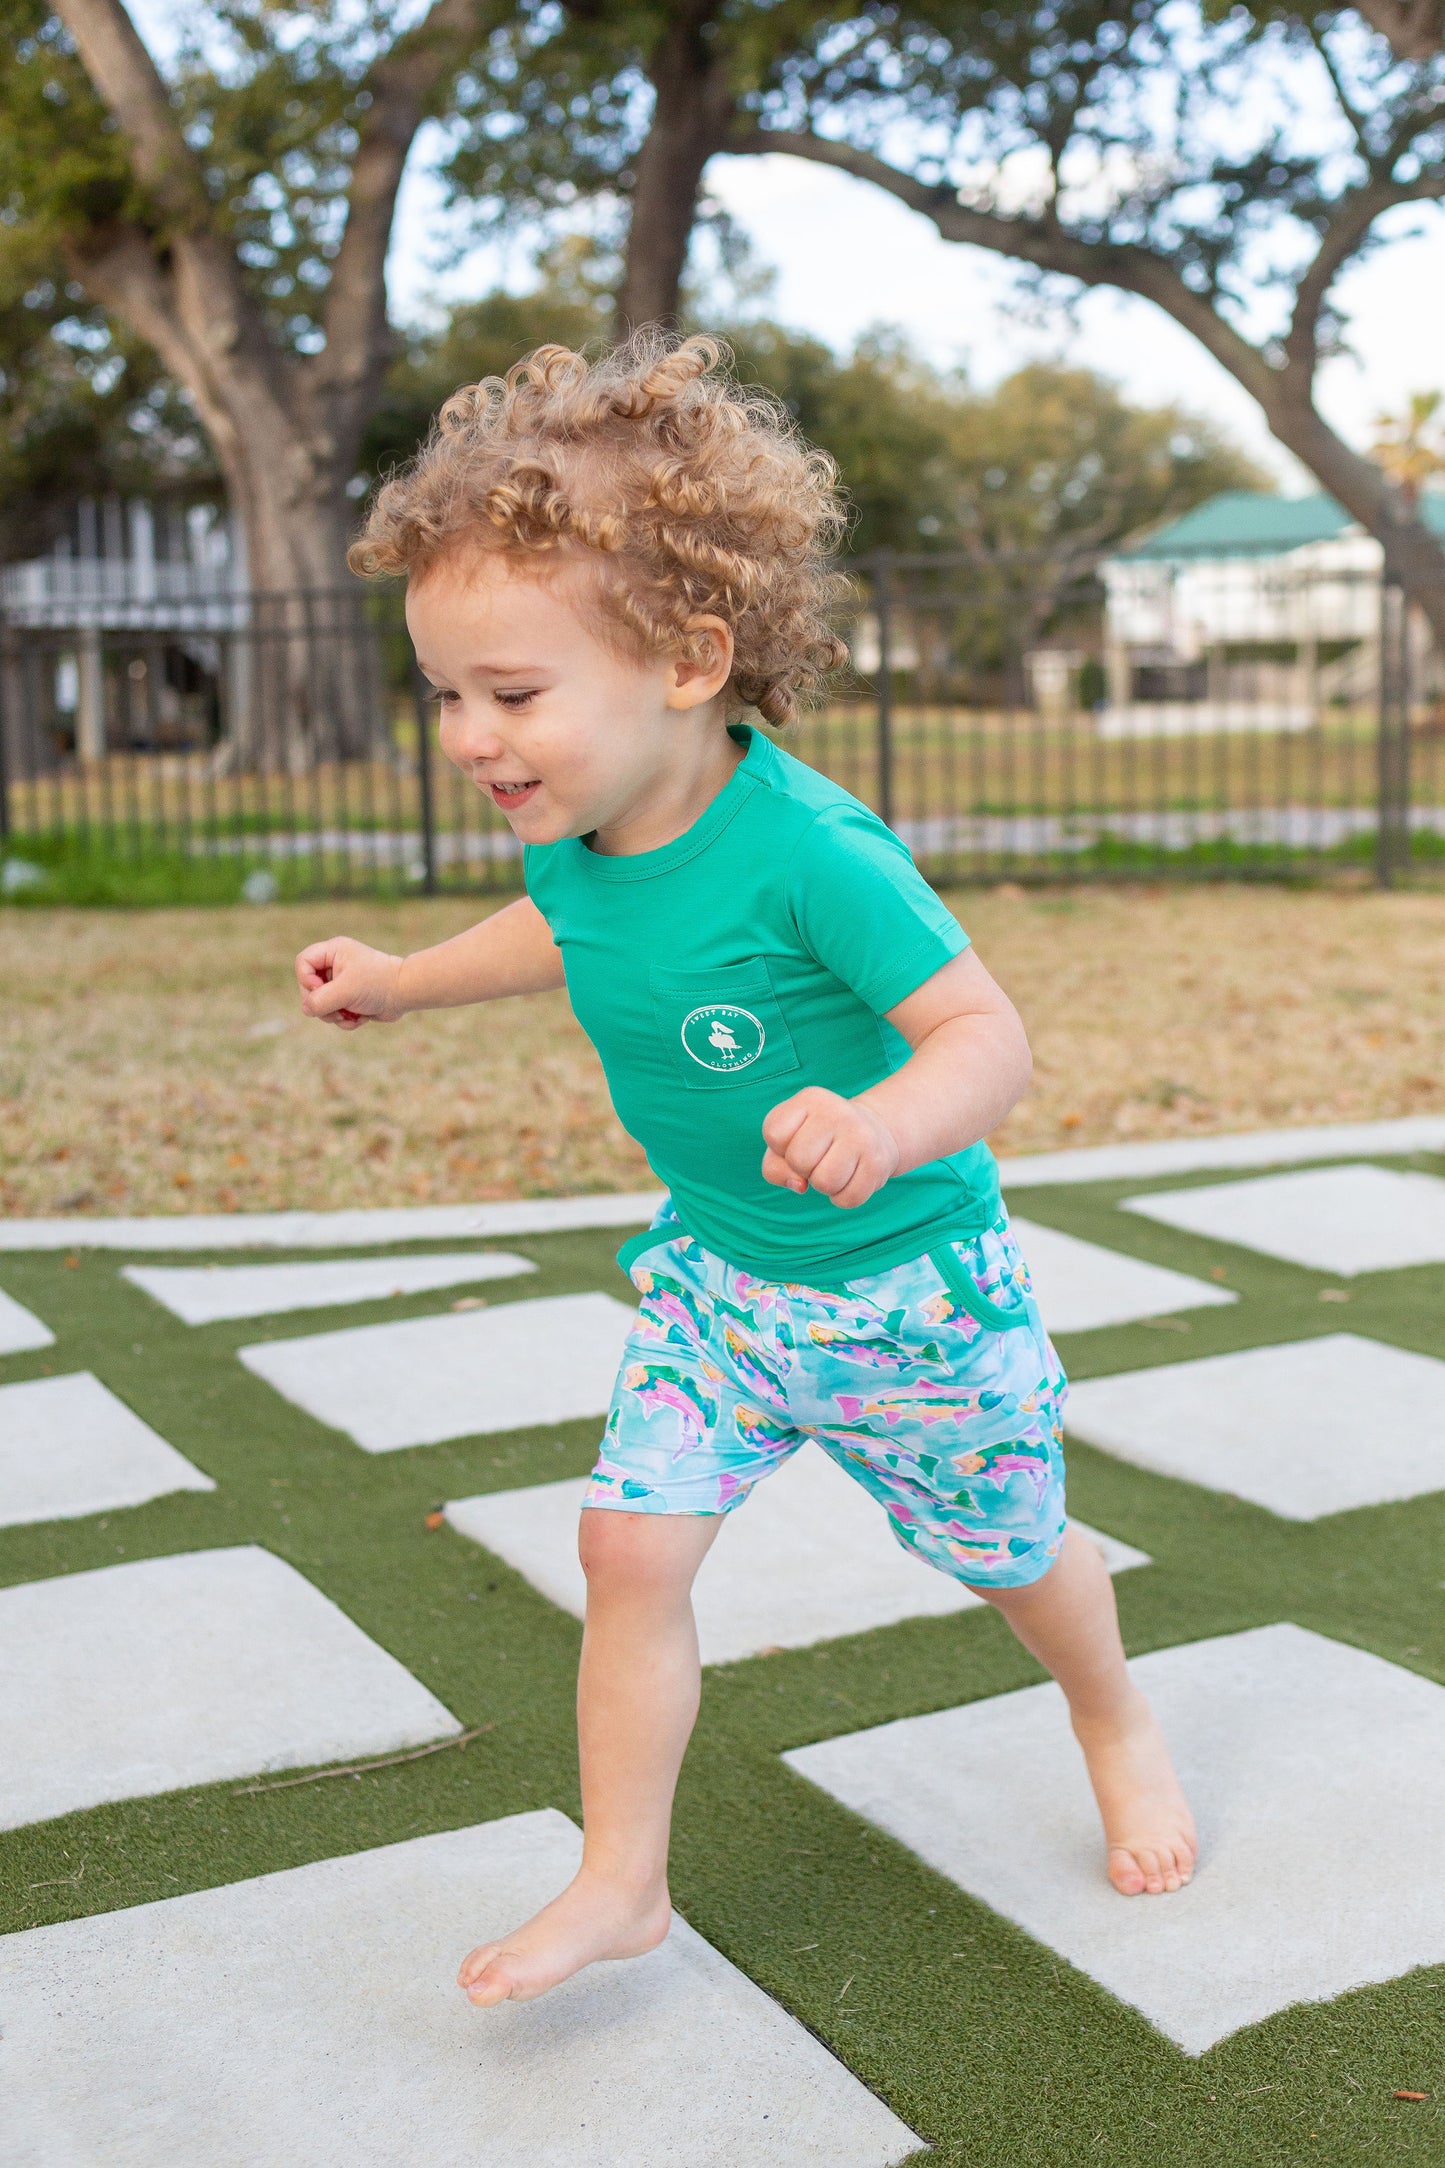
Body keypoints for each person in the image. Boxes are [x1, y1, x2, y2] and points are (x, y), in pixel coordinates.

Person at [295, 335, 1197, 2009]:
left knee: (1014, 1558)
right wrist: (408, 980)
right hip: (718, 1286)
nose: (469, 737)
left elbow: (986, 1037)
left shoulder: (810, 853)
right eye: (446, 695)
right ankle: (620, 1880)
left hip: (907, 1295)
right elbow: (557, 929)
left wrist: (888, 1123)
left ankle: (1108, 1706)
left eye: (510, 692)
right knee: (627, 1550)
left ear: (691, 659)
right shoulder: (575, 838)